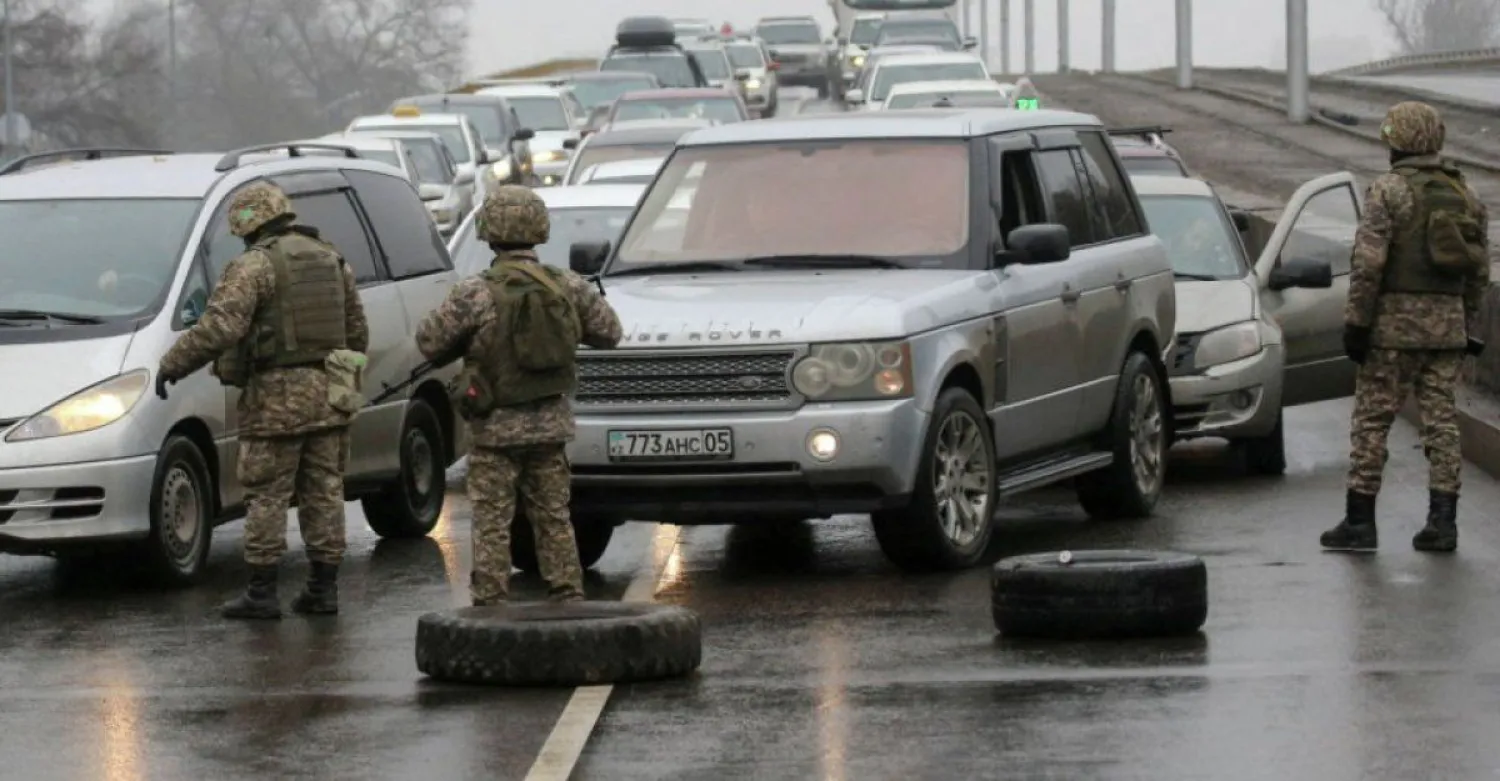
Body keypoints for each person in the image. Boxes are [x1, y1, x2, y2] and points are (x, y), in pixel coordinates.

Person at [157, 182, 369, 617]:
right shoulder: (332, 258)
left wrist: (172, 364)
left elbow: (220, 328)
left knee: (266, 495)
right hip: (329, 397)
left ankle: (261, 592)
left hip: (274, 402)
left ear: (247, 224)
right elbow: (357, 332)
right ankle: (323, 589)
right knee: (324, 491)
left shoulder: (254, 266)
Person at [415, 185, 622, 605]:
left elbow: (429, 341)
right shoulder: (567, 285)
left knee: (492, 520)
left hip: (494, 429)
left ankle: (490, 602)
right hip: (550, 425)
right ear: (539, 228)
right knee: (553, 516)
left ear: (489, 232)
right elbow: (610, 332)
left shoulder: (475, 292)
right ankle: (566, 593)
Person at [1321, 101, 1490, 554]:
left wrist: (1356, 323)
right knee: (1442, 422)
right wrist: (1472, 325)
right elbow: (1478, 273)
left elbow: (1368, 264)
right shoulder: (1466, 195)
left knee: (1372, 421)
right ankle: (1443, 523)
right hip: (1447, 330)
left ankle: (1360, 522)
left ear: (1397, 141)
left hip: (1392, 332)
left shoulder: (1388, 191)